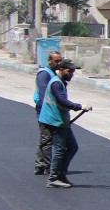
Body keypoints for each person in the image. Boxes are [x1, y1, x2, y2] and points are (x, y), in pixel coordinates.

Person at [39, 58, 91, 188]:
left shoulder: (61, 82)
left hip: (61, 120)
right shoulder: (56, 83)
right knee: (60, 150)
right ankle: (53, 178)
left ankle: (61, 173)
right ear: (61, 70)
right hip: (55, 121)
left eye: (73, 71)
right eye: (70, 71)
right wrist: (80, 106)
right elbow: (62, 101)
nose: (72, 74)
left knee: (72, 147)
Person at [33, 50, 62, 174]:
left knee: (45, 138)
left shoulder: (52, 73)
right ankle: (44, 165)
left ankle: (41, 164)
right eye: (56, 61)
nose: (58, 63)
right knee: (46, 138)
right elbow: (44, 95)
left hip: (48, 110)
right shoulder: (44, 74)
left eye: (60, 61)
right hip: (44, 110)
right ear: (49, 60)